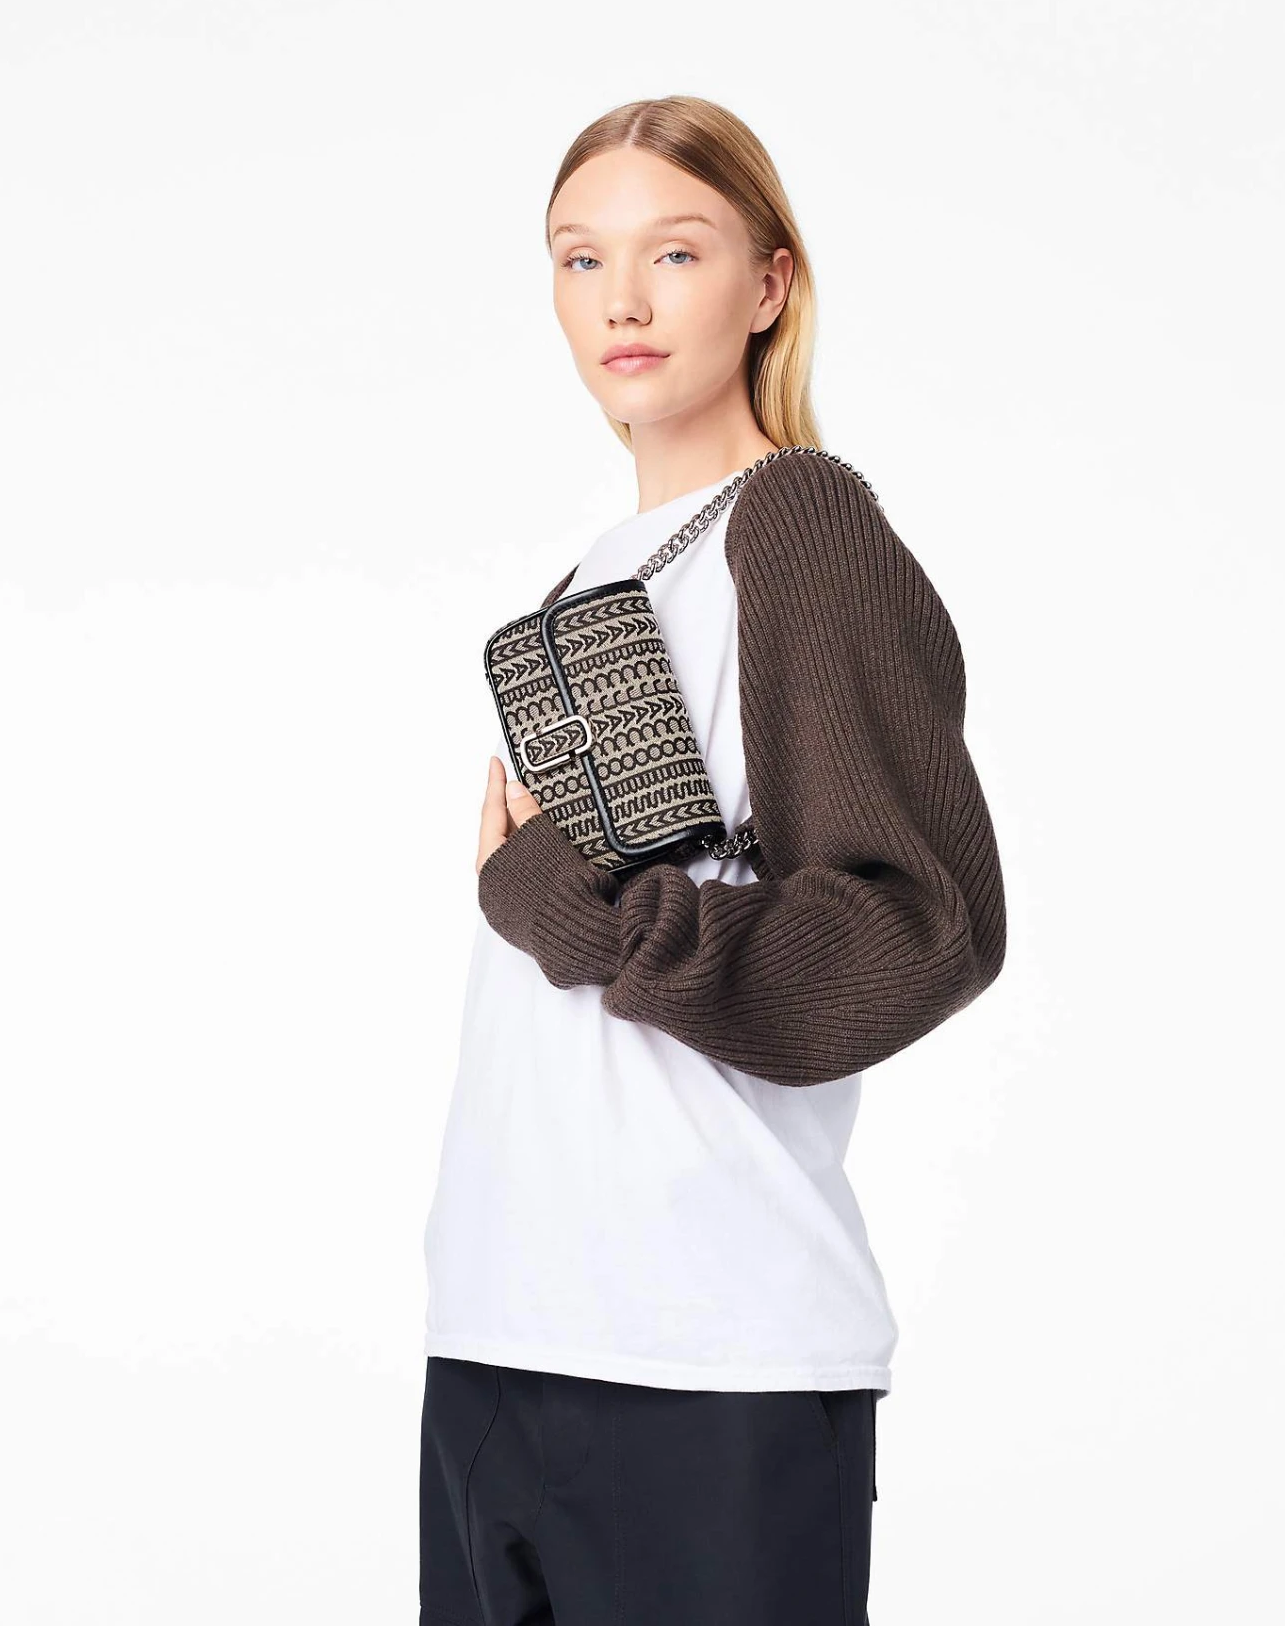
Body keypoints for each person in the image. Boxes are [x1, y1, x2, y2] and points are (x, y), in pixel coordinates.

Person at [419, 95, 1007, 1626]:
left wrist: (588, 919)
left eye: (674, 253)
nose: (620, 299)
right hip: (498, 1339)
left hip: (708, 1359)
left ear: (768, 284)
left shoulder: (799, 523)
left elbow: (919, 927)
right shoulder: (598, 576)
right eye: (581, 259)